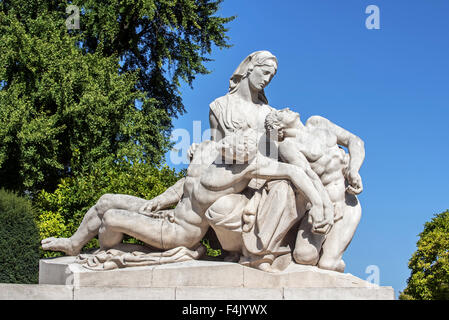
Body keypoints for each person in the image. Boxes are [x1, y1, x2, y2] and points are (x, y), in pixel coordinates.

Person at [41, 126, 330, 261]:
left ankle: (109, 253)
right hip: (167, 213)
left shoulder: (248, 168)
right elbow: (185, 185)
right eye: (234, 144)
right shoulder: (209, 152)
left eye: (241, 150)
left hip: (181, 232)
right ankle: (74, 244)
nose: (236, 149)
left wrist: (318, 203)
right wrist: (157, 200)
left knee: (113, 218)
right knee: (106, 201)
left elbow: (294, 172)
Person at [264, 107, 365, 272]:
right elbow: (308, 176)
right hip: (324, 206)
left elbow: (355, 141)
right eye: (281, 112)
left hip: (346, 202)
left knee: (327, 265)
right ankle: (332, 252)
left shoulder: (318, 123)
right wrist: (324, 207)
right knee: (304, 257)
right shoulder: (287, 146)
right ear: (278, 126)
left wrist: (354, 169)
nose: (287, 109)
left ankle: (334, 255)